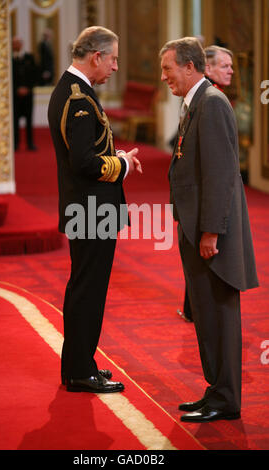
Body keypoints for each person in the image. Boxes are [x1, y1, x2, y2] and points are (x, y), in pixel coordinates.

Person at [160, 37, 258, 422]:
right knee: (205, 315)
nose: (164, 76)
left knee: (218, 314)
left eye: (168, 68)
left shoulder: (212, 103)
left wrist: (211, 232)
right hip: (197, 227)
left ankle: (226, 399)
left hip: (211, 234)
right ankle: (215, 389)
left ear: (189, 66)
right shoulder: (196, 102)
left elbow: (220, 176)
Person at [48, 26, 142, 393]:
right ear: (96, 56)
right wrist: (121, 166)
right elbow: (85, 163)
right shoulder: (79, 99)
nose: (116, 67)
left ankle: (80, 363)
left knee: (85, 287)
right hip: (90, 210)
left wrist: (116, 156)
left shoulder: (77, 92)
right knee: (88, 289)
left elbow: (89, 153)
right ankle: (79, 372)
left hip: (88, 208)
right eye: (114, 58)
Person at [178, 44, 234, 323]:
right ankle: (192, 306)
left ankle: (193, 307)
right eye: (225, 66)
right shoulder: (208, 99)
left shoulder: (212, 100)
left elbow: (219, 169)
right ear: (207, 68)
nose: (231, 71)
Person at [12, 37, 38, 151]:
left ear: (22, 45)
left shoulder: (30, 58)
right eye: (14, 44)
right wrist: (17, 89)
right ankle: (15, 144)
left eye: (18, 43)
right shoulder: (9, 59)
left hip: (28, 95)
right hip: (15, 96)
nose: (16, 45)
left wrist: (27, 88)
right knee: (14, 121)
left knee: (29, 120)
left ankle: (30, 143)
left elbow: (34, 75)